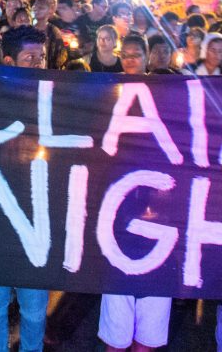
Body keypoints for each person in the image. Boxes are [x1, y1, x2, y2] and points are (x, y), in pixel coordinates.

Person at [98, 33, 172, 352]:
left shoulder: (166, 95)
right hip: (118, 218)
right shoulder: (106, 94)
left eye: (136, 54)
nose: (130, 60)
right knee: (117, 321)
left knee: (150, 326)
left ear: (147, 58)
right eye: (125, 54)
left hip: (161, 218)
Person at [0, 25, 48, 352]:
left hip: (38, 226)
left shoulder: (56, 98)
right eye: (30, 58)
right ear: (9, 61)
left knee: (34, 310)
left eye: (41, 58)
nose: (38, 64)